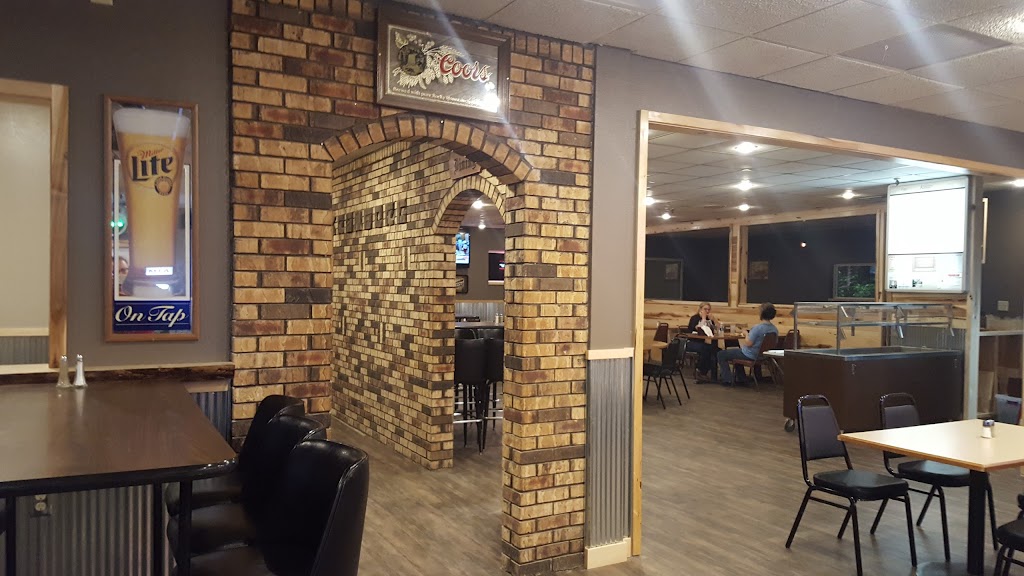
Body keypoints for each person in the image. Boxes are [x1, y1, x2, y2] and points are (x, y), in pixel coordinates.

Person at [717, 302, 779, 386]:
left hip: (751, 354)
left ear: (762, 313)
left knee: (721, 354)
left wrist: (746, 334)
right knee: (736, 353)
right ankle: (742, 379)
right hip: (763, 356)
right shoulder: (774, 329)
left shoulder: (757, 328)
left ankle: (727, 380)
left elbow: (749, 343)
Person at [685, 302, 718, 380]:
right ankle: (701, 370)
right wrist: (703, 319)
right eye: (705, 309)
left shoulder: (709, 319)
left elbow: (718, 328)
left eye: (709, 309)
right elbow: (699, 329)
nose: (707, 311)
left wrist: (714, 319)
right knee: (706, 349)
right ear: (700, 309)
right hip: (692, 341)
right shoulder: (694, 318)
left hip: (705, 342)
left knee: (715, 349)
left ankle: (708, 373)